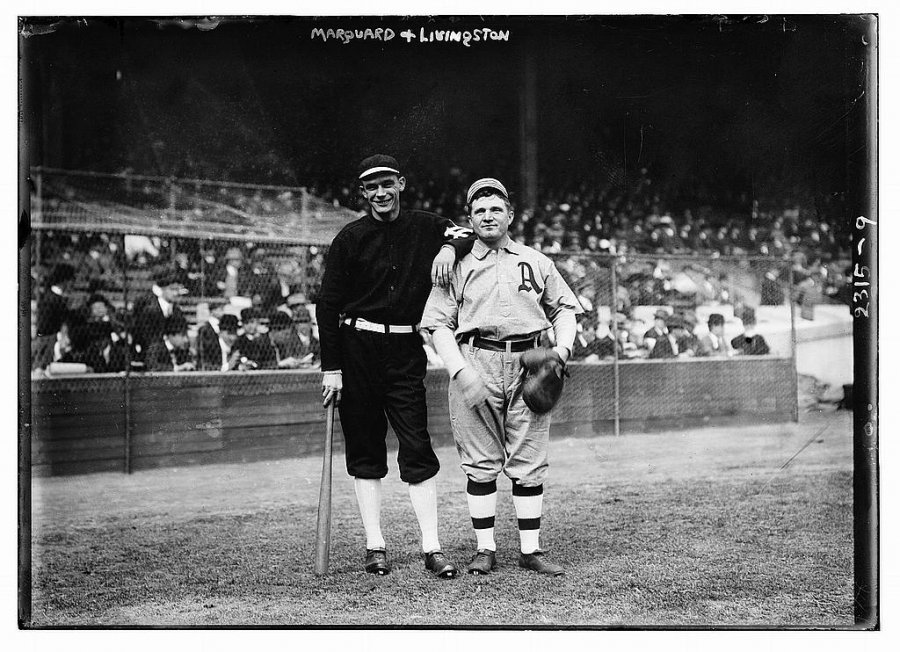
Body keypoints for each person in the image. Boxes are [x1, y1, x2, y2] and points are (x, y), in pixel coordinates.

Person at [317, 154, 474, 579]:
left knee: (417, 446)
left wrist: (446, 247)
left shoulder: (426, 225)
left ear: (401, 183)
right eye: (372, 187)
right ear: (363, 193)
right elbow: (327, 305)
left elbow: (466, 232)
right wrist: (331, 367)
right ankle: (375, 545)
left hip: (406, 349)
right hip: (356, 350)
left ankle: (432, 547)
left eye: (388, 183)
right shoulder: (349, 238)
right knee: (365, 450)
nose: (381, 193)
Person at [421, 177, 582, 577]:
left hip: (530, 359)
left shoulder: (536, 260)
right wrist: (459, 370)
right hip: (475, 359)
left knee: (530, 459)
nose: (488, 215)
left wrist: (561, 352)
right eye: (479, 210)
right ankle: (485, 548)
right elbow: (438, 325)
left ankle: (531, 549)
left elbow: (564, 309)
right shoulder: (455, 265)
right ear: (469, 220)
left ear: (510, 214)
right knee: (480, 462)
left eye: (496, 209)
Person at [131, 267, 187, 365]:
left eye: (178, 289)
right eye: (172, 289)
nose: (176, 293)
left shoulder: (177, 311)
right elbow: (146, 337)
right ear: (163, 290)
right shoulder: (149, 310)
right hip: (151, 355)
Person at [32, 263, 77, 370]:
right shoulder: (55, 299)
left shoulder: (50, 295)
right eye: (72, 279)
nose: (74, 283)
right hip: (49, 341)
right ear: (65, 280)